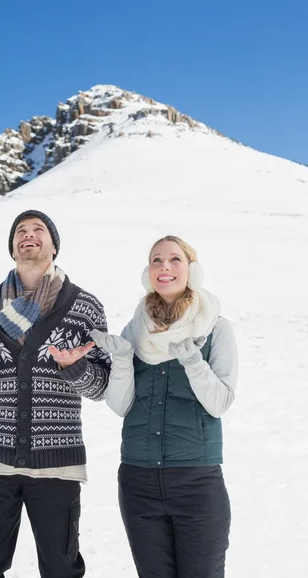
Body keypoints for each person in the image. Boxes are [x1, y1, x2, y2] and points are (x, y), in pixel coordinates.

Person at [0, 209, 111, 578]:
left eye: (38, 229)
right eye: (21, 231)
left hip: (57, 463)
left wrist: (74, 367)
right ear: (13, 247)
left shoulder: (84, 307)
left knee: (61, 570)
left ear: (54, 246)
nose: (28, 235)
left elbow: (102, 386)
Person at [92, 235, 238, 578]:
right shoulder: (135, 328)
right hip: (137, 481)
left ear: (192, 270)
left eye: (174, 259)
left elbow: (220, 402)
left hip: (196, 483)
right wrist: (124, 359)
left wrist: (193, 362)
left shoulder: (216, 327)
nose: (164, 267)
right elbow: (119, 404)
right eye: (156, 260)